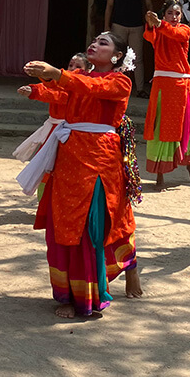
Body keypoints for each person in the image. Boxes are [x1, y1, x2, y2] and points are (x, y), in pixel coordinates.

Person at [16, 32, 141, 318]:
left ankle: (86, 296)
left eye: (103, 43)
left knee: (90, 227)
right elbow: (64, 94)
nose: (95, 44)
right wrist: (38, 88)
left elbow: (84, 87)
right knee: (64, 224)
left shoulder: (120, 82)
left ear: (117, 57)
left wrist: (56, 73)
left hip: (99, 161)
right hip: (69, 157)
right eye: (95, 40)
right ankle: (68, 292)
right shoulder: (82, 76)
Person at [143, 0, 190, 191]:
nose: (174, 17)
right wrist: (150, 23)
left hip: (181, 85)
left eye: (177, 14)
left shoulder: (184, 30)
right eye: (170, 13)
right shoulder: (159, 30)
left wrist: (158, 23)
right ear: (163, 15)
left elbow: (173, 33)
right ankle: (160, 175)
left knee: (183, 127)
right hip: (162, 85)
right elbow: (149, 36)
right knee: (160, 127)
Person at [14, 53, 92, 199]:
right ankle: (44, 203)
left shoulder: (81, 88)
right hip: (52, 130)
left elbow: (59, 96)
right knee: (45, 166)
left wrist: (35, 92)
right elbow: (49, 88)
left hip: (67, 134)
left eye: (78, 67)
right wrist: (34, 89)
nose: (72, 69)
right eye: (70, 65)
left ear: (87, 71)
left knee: (58, 167)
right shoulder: (63, 81)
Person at [105, 0, 153, 98]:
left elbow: (149, 3)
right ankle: (113, 86)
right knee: (116, 56)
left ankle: (139, 89)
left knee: (137, 58)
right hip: (118, 25)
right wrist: (107, 26)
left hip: (137, 26)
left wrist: (151, 20)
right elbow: (109, 5)